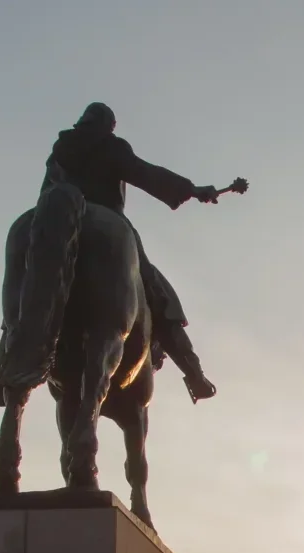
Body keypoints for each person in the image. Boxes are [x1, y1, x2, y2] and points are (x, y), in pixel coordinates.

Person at [38, 102, 224, 403]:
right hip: (109, 220)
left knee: (27, 283)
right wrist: (192, 189)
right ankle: (194, 375)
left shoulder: (59, 150)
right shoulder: (109, 146)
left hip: (51, 222)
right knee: (160, 296)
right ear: (109, 126)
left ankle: (4, 366)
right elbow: (145, 174)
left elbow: (47, 195)